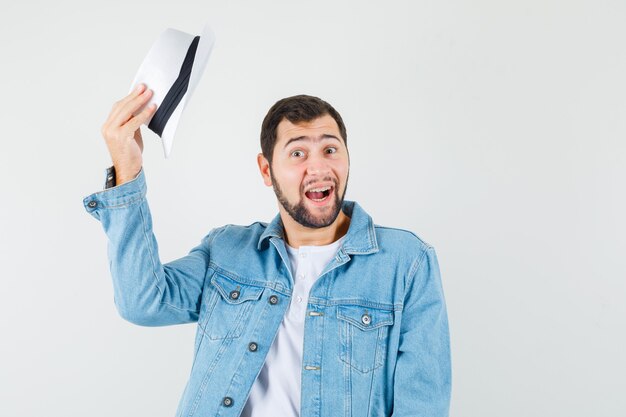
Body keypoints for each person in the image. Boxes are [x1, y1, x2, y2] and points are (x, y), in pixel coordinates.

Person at [83, 83, 451, 417]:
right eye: (298, 154)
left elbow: (422, 403)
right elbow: (142, 302)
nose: (319, 166)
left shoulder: (406, 263)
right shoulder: (227, 251)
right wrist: (126, 170)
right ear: (266, 169)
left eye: (330, 148)